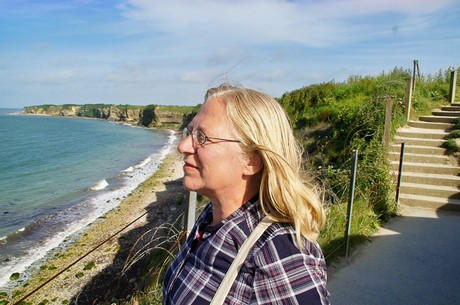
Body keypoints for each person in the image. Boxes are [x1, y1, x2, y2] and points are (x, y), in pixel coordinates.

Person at [163, 84, 330, 304]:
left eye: (202, 137)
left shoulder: (279, 256)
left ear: (251, 160)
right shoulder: (211, 220)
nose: (183, 146)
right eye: (189, 132)